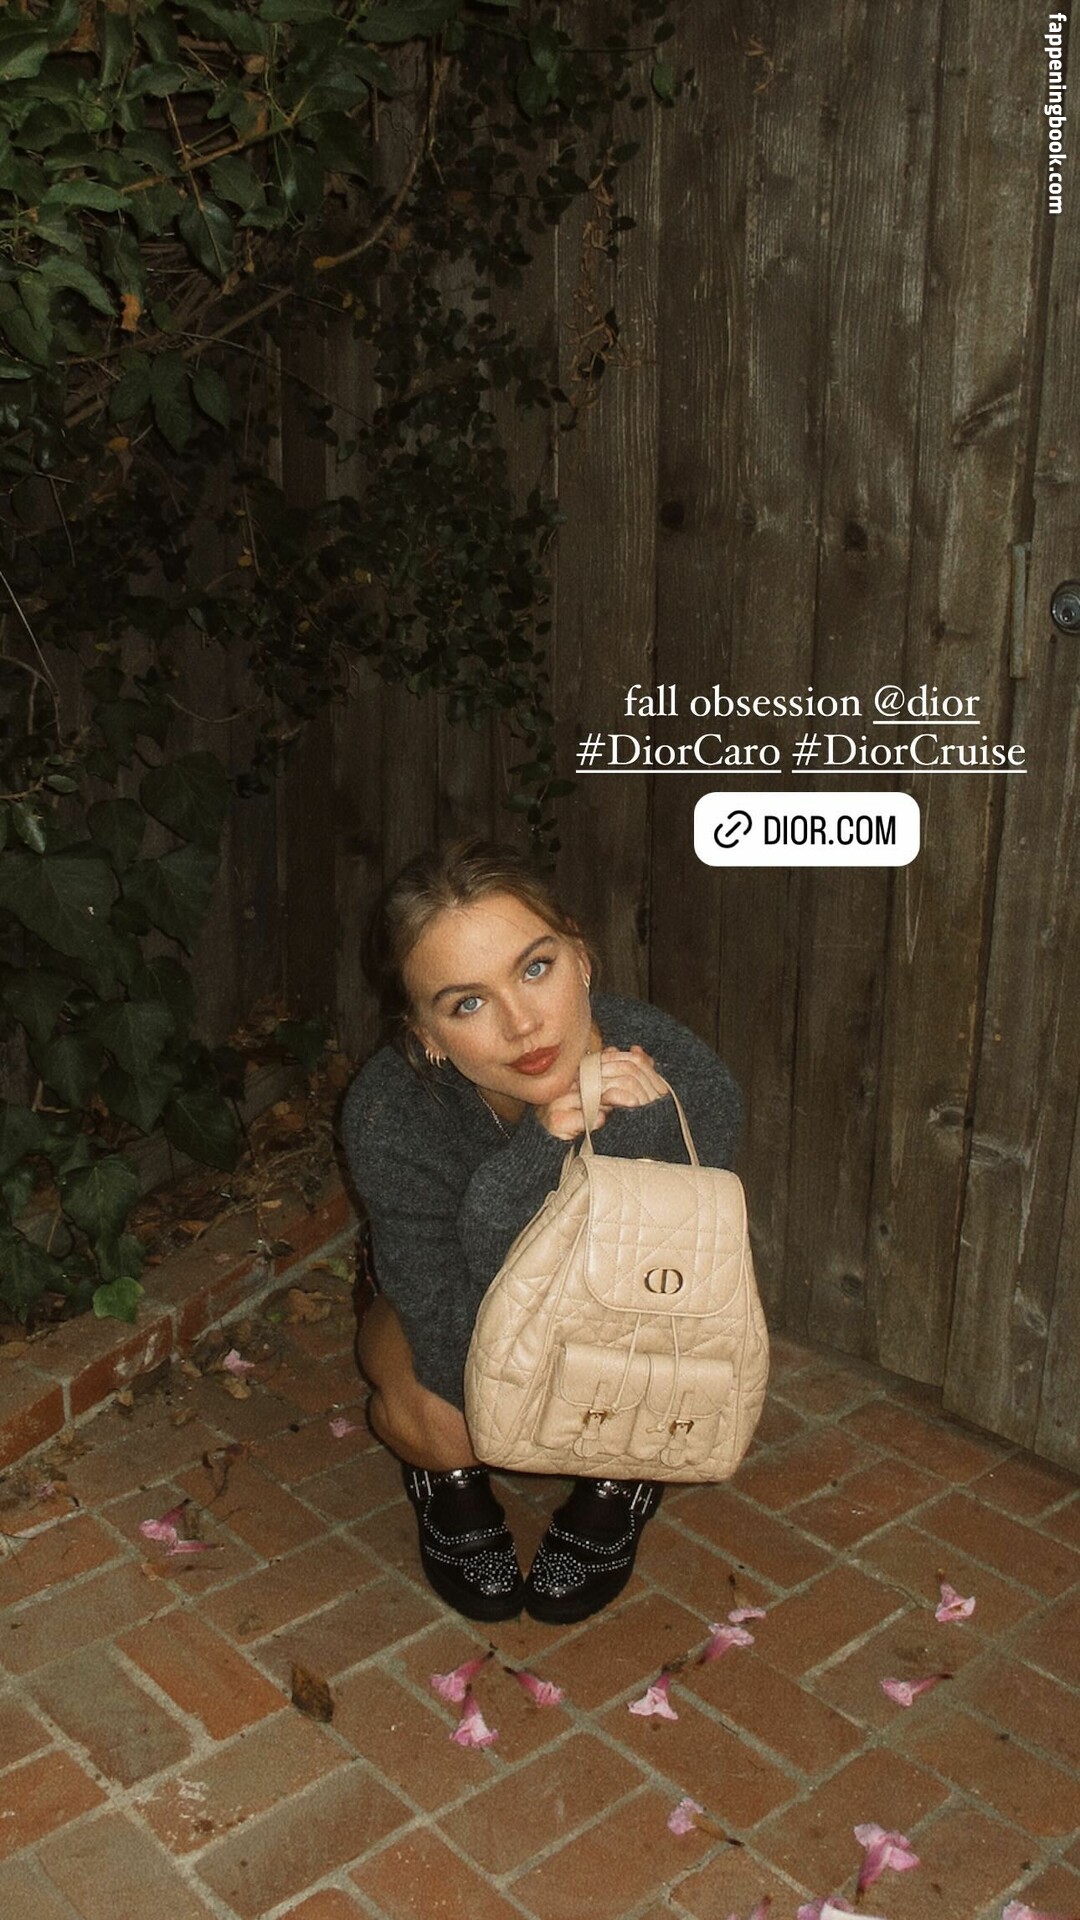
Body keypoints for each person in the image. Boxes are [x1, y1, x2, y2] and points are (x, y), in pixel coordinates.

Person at [340, 838, 743, 1625]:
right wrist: (540, 1150)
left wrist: (609, 1428)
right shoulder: (390, 1112)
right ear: (425, 1036)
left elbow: (666, 1299)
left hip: (632, 1308)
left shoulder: (687, 1084)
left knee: (641, 1393)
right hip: (470, 1296)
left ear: (581, 958)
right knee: (440, 1416)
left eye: (535, 968)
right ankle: (448, 1483)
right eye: (467, 1003)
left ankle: (617, 1487)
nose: (523, 1025)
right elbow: (446, 1315)